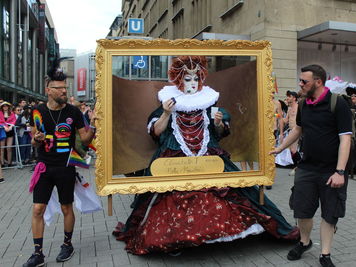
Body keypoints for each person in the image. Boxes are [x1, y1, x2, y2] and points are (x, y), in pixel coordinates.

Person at [113, 56, 299, 255]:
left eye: (196, 79)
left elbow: (218, 134)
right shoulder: (167, 102)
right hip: (174, 158)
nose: (192, 83)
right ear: (179, 80)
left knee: (235, 191)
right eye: (187, 79)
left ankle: (218, 235)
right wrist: (167, 113)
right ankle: (176, 239)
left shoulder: (209, 102)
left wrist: (218, 123)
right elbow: (155, 133)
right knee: (167, 195)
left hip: (209, 156)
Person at [270, 64, 352, 267]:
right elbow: (298, 129)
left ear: (318, 82)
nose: (300, 84)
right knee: (302, 211)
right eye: (300, 80)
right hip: (306, 168)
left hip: (332, 170)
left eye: (304, 81)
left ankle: (325, 254)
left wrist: (340, 171)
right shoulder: (304, 104)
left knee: (329, 214)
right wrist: (281, 148)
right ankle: (304, 242)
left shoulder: (337, 103)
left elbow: (345, 140)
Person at [23, 59, 96, 267]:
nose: (64, 91)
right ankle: (38, 254)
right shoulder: (37, 111)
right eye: (60, 88)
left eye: (65, 87)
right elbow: (33, 139)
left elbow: (84, 140)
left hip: (66, 166)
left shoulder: (73, 112)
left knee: (66, 207)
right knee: (37, 209)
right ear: (49, 90)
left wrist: (93, 126)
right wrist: (36, 140)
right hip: (44, 167)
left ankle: (67, 244)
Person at [0, 101, 17, 167]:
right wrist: (4, 126)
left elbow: (14, 120)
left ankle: (9, 163)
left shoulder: (12, 113)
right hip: (2, 131)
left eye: (6, 106)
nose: (5, 107)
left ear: (8, 106)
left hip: (10, 131)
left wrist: (11, 126)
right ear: (2, 107)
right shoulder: (0, 113)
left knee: (9, 148)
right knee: (2, 148)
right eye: (4, 106)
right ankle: (2, 163)